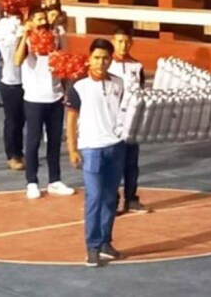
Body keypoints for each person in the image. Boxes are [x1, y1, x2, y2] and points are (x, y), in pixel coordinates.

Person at [66, 38, 128, 267]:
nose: (101, 62)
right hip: (91, 147)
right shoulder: (78, 85)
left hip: (116, 145)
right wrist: (72, 149)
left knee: (111, 197)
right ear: (89, 58)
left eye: (105, 58)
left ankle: (105, 242)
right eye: (96, 58)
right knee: (94, 197)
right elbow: (71, 119)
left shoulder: (119, 83)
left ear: (111, 60)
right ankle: (92, 246)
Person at [15, 6, 74, 199]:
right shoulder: (26, 39)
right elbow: (17, 61)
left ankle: (54, 180)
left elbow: (64, 63)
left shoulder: (55, 38)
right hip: (34, 98)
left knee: (55, 141)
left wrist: (66, 89)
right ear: (30, 21)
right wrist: (25, 34)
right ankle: (31, 182)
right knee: (33, 141)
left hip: (55, 96)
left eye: (43, 19)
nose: (42, 22)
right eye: (37, 19)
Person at [108, 28, 150, 214]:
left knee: (131, 163)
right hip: (112, 121)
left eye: (126, 42)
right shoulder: (107, 64)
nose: (123, 45)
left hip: (132, 121)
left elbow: (140, 91)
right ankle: (113, 200)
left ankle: (131, 199)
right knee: (114, 163)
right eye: (119, 42)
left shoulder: (137, 66)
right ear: (113, 41)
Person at [0, 9, 25, 171]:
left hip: (29, 82)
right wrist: (22, 35)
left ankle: (20, 152)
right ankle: (12, 155)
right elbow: (10, 53)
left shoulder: (27, 23)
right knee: (13, 120)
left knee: (23, 120)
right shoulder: (4, 26)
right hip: (11, 81)